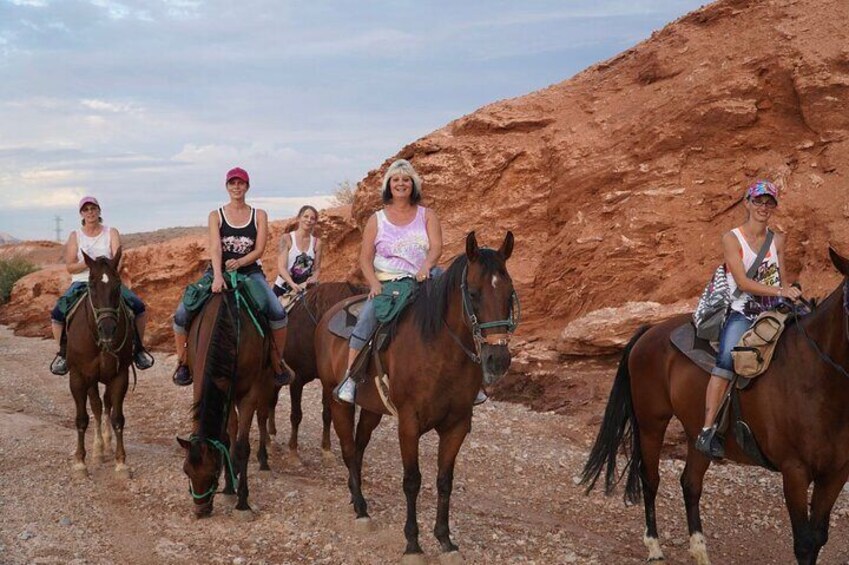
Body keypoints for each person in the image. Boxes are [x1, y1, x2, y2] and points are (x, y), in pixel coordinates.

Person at [334, 158, 472, 404]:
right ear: (389, 185)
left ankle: (473, 380)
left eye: (406, 179)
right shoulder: (377, 219)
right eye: (396, 180)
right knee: (366, 320)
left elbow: (437, 247)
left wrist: (426, 266)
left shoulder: (427, 215)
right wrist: (374, 284)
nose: (401, 184)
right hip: (388, 283)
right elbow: (365, 259)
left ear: (413, 184)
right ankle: (350, 379)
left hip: (424, 278)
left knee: (461, 311)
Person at [694, 180, 802, 459]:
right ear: (747, 203)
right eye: (758, 201)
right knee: (728, 359)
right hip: (742, 310)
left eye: (769, 203)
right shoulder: (732, 238)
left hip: (773, 311)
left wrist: (788, 295)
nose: (764, 207)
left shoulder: (777, 240)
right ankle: (707, 431)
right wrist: (779, 290)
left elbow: (782, 277)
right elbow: (741, 281)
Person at [171, 167, 292, 387]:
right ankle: (183, 362)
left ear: (247, 186)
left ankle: (277, 360)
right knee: (182, 312)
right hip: (218, 270)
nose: (236, 187)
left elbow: (260, 249)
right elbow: (216, 248)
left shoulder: (259, 215)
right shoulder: (216, 215)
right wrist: (217, 276)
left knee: (277, 311)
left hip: (250, 271)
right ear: (227, 187)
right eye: (232, 183)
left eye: (241, 183)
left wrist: (241, 262)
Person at [49, 196, 154, 375]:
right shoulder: (76, 236)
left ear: (99, 211)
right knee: (58, 313)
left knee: (138, 307)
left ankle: (139, 350)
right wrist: (91, 263)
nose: (90, 212)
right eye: (86, 209)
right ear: (81, 213)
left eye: (93, 208)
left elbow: (117, 257)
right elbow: (70, 266)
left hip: (107, 282)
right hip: (83, 282)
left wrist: (108, 270)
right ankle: (63, 354)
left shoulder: (111, 232)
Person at [273, 205, 323, 299]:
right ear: (299, 218)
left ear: (315, 222)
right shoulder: (287, 238)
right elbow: (281, 267)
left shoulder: (317, 243)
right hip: (284, 285)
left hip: (304, 287)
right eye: (306, 216)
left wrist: (314, 278)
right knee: (275, 312)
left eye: (312, 218)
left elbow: (317, 269)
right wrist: (292, 284)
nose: (308, 220)